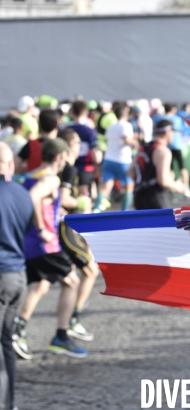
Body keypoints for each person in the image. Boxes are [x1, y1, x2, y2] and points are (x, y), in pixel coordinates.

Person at [12, 138, 88, 359]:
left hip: (29, 241)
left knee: (41, 284)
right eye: (65, 157)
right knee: (72, 281)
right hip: (44, 243)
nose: (66, 162)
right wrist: (42, 228)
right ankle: (61, 336)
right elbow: (33, 197)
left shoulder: (31, 174)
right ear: (58, 157)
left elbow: (38, 201)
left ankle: (18, 329)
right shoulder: (51, 179)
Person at [0, 143, 33, 410]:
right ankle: (10, 403)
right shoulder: (23, 195)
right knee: (6, 342)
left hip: (1, 274)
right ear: (10, 164)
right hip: (17, 274)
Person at [57, 128, 98, 342]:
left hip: (65, 227)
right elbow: (63, 199)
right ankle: (72, 320)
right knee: (90, 272)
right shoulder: (69, 169)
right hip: (65, 229)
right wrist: (81, 202)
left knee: (65, 280)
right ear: (72, 146)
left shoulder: (62, 167)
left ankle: (66, 326)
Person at [132, 120, 187, 209]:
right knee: (167, 223)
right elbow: (163, 181)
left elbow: (130, 171)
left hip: (138, 197)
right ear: (167, 132)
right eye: (173, 132)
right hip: (155, 197)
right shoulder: (163, 151)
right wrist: (179, 186)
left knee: (145, 223)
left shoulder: (143, 147)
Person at [94, 101, 137, 211]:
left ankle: (97, 209)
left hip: (109, 159)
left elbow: (108, 142)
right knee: (129, 185)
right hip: (123, 160)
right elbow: (126, 139)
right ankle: (125, 211)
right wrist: (135, 143)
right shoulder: (126, 125)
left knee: (106, 186)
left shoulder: (111, 127)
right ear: (124, 114)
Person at [69, 100, 102, 197]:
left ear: (72, 112)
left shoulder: (66, 130)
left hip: (69, 169)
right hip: (86, 169)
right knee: (85, 199)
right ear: (85, 112)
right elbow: (97, 157)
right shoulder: (90, 131)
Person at [15, 108, 59, 173]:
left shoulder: (30, 145)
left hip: (33, 180)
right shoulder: (60, 145)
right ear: (57, 124)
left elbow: (16, 164)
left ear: (39, 124)